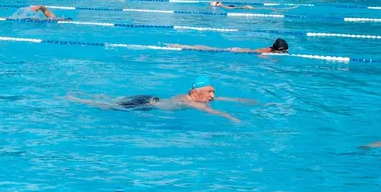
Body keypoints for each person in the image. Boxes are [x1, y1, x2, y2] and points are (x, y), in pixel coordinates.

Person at [69, 78, 249, 123]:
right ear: (195, 92)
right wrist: (231, 118)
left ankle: (86, 95)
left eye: (214, 92)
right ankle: (77, 99)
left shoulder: (190, 97)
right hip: (145, 105)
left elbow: (214, 101)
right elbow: (210, 111)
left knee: (111, 101)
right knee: (107, 107)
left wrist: (238, 100)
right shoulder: (190, 102)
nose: (213, 96)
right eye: (210, 92)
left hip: (149, 98)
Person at [172, 38, 289, 55]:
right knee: (208, 50)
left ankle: (182, 45)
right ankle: (179, 46)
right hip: (237, 51)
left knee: (209, 49)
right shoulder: (267, 52)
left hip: (238, 50)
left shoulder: (270, 49)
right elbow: (261, 56)